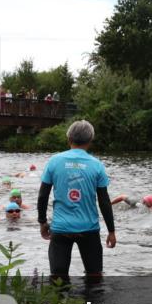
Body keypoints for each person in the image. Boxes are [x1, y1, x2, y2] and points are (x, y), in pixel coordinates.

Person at [37, 120, 116, 285]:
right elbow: (104, 201)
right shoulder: (97, 165)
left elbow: (43, 196)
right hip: (89, 229)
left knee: (58, 281)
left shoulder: (54, 161)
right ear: (90, 141)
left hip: (60, 229)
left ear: (69, 138)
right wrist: (111, 231)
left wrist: (43, 222)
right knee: (95, 279)